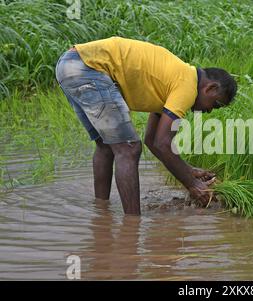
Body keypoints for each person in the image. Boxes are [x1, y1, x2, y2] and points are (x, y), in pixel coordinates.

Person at [55, 37, 237, 215]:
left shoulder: (174, 81)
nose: (209, 111)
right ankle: (132, 226)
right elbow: (162, 143)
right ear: (210, 88)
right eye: (215, 104)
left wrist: (189, 171)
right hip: (88, 68)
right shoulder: (187, 86)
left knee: (106, 146)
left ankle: (101, 213)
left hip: (69, 66)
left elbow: (152, 141)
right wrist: (193, 184)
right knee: (128, 148)